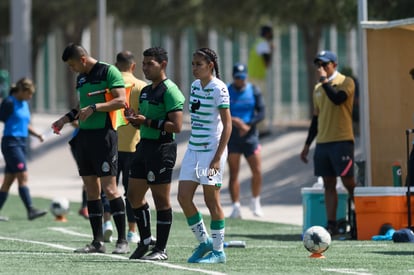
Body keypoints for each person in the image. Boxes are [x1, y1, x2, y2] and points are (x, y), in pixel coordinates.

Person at [52, 43, 129, 254]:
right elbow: (80, 107)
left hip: (104, 136)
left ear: (82, 59)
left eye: (72, 64)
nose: (71, 69)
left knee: (110, 189)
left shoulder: (108, 71)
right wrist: (65, 119)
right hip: (84, 138)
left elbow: (121, 101)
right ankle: (97, 242)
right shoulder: (81, 78)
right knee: (91, 190)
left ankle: (122, 240)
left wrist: (95, 108)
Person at [126, 47, 185, 261]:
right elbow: (143, 123)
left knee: (161, 199)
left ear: (163, 64)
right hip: (144, 146)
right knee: (133, 195)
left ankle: (161, 249)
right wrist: (135, 120)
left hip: (162, 149)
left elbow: (176, 126)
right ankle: (145, 241)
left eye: (150, 63)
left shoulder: (170, 91)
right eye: (143, 63)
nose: (145, 67)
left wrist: (147, 121)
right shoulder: (146, 91)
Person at [177, 47, 232, 264]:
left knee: (211, 200)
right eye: (192, 64)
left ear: (210, 66)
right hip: (193, 148)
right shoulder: (194, 86)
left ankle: (218, 252)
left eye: (199, 64)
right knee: (183, 197)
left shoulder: (219, 88)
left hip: (211, 151)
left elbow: (228, 126)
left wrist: (217, 158)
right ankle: (205, 242)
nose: (194, 68)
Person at [300, 50, 356, 236]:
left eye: (325, 64)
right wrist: (307, 145)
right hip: (323, 143)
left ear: (335, 64)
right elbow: (316, 120)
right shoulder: (318, 88)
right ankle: (331, 224)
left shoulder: (345, 82)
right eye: (319, 65)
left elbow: (338, 100)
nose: (321, 68)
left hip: (342, 141)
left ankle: (359, 216)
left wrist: (324, 82)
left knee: (348, 182)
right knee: (328, 184)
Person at [0, 78, 47, 222]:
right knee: (23, 175)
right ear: (21, 90)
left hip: (21, 143)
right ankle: (31, 209)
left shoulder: (25, 104)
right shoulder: (9, 102)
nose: (30, 97)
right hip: (11, 143)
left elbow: (23, 124)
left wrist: (37, 134)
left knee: (8, 180)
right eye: (29, 93)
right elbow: (4, 118)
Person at [114, 50, 147, 243]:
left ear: (116, 65)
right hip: (133, 146)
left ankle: (107, 223)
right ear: (133, 66)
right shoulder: (141, 86)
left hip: (112, 146)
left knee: (109, 190)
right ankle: (132, 231)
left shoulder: (111, 85)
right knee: (131, 193)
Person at [227, 63, 265, 219]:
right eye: (237, 78)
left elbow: (261, 112)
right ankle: (236, 206)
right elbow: (220, 111)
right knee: (234, 173)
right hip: (233, 136)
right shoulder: (227, 91)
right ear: (233, 77)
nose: (240, 81)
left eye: (242, 78)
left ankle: (255, 201)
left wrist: (247, 125)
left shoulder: (253, 90)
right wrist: (236, 122)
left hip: (250, 135)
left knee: (257, 170)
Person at [247, 25, 273, 137]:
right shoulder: (263, 44)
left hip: (252, 77)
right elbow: (267, 63)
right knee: (260, 104)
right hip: (258, 79)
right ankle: (261, 129)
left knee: (254, 104)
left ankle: (253, 127)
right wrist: (272, 50)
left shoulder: (257, 42)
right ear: (268, 33)